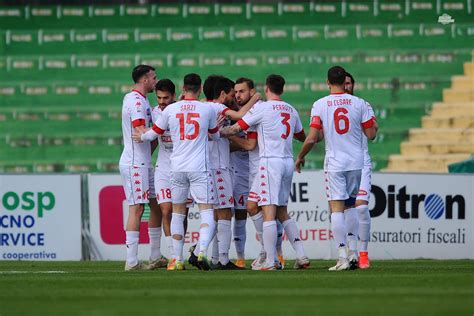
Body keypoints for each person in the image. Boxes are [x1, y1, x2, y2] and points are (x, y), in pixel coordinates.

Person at [221, 74, 310, 270]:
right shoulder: (291, 109)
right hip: (287, 162)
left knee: (269, 212)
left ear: (266, 89)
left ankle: (271, 261)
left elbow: (236, 128)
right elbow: (301, 135)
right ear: (282, 89)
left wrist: (217, 132)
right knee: (268, 208)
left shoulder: (262, 108)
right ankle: (301, 255)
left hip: (270, 162)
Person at [133, 73, 219, 271]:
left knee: (177, 214)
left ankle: (177, 259)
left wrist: (141, 135)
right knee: (206, 211)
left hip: (176, 168)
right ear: (200, 89)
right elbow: (214, 135)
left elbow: (153, 133)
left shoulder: (171, 109)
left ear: (182, 88)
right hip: (199, 167)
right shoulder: (206, 109)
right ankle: (202, 250)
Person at [295, 66, 377, 271]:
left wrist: (300, 156)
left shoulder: (320, 104)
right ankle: (353, 252)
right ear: (346, 82)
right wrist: (373, 125)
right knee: (350, 205)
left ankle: (342, 256)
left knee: (336, 208)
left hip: (335, 163)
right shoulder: (361, 103)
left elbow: (313, 136)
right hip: (357, 163)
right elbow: (371, 134)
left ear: (328, 82)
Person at [148, 79, 193, 270]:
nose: (162, 101)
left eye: (166, 97)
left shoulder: (181, 111)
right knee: (166, 210)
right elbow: (154, 139)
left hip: (182, 167)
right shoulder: (154, 112)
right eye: (159, 97)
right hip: (163, 168)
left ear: (174, 96)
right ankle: (174, 256)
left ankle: (179, 253)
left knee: (181, 214)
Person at [119, 64, 159, 271]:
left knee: (156, 205)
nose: (155, 81)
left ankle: (155, 256)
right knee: (137, 208)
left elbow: (148, 137)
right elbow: (140, 130)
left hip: (143, 162)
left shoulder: (142, 100)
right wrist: (160, 130)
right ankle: (132, 261)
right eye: (153, 78)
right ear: (144, 80)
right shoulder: (135, 101)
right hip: (135, 163)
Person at [344, 73, 378, 269]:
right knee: (345, 208)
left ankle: (363, 253)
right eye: (344, 83)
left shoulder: (362, 105)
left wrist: (374, 127)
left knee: (361, 206)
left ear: (353, 85)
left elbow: (372, 134)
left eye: (349, 83)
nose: (347, 86)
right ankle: (351, 252)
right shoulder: (329, 106)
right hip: (340, 165)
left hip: (361, 162)